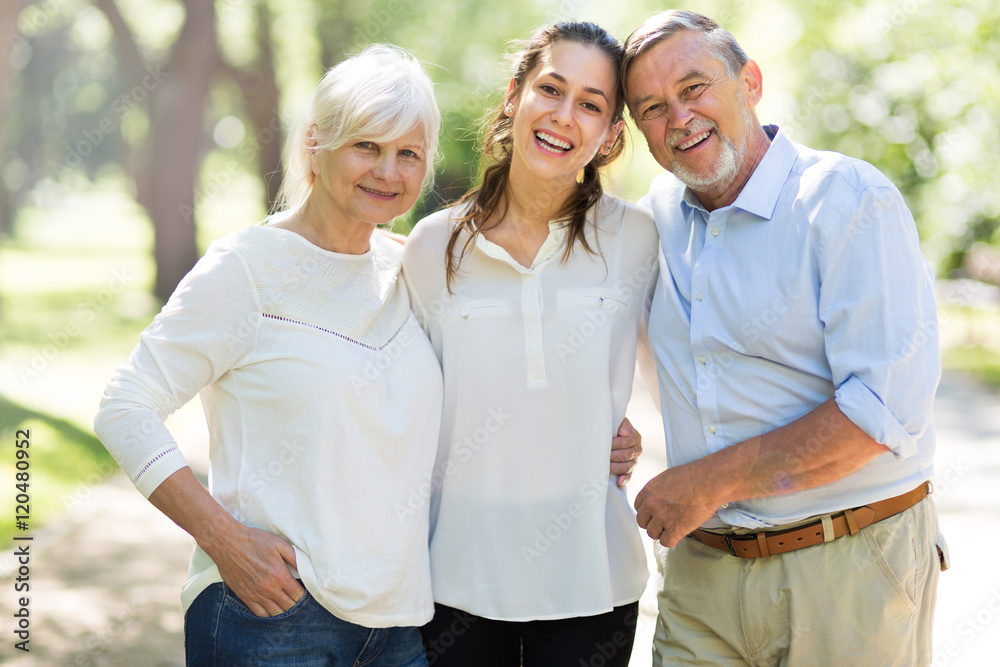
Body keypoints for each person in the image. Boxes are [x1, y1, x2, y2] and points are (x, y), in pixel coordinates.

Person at [94, 45, 444, 666]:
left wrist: (594, 433)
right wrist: (222, 538)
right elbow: (125, 407)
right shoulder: (247, 269)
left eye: (407, 153)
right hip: (272, 617)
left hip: (398, 625)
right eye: (367, 145)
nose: (388, 171)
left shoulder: (410, 269)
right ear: (316, 144)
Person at [622, 9, 947, 665]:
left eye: (694, 88)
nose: (678, 118)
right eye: (651, 107)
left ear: (751, 82)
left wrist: (707, 481)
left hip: (849, 568)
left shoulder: (846, 199)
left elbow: (879, 411)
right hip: (701, 577)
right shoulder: (652, 220)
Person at [403, 22, 657, 667]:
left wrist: (626, 432)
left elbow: (690, 369)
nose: (564, 116)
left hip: (591, 579)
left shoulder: (637, 240)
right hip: (455, 577)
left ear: (610, 135)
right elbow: (400, 393)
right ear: (515, 95)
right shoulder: (434, 246)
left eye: (592, 104)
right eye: (551, 88)